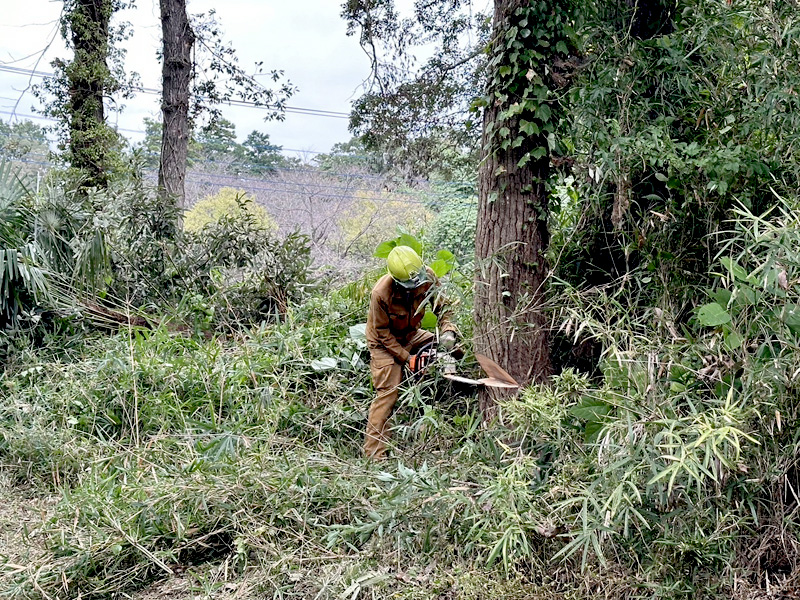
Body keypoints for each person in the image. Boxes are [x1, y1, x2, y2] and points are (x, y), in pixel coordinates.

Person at [364, 245, 457, 459]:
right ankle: (374, 456)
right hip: (384, 343)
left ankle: (457, 387)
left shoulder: (428, 277)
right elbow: (381, 332)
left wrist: (448, 333)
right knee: (388, 394)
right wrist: (408, 359)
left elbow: (444, 308)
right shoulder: (381, 293)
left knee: (451, 350)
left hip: (411, 333)